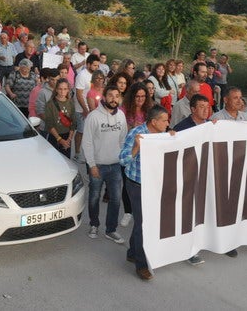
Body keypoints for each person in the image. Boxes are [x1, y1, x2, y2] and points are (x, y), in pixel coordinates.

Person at [119, 105, 177, 280]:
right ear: (154, 122)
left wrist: (173, 138)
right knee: (143, 224)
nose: (168, 123)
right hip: (136, 184)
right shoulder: (136, 134)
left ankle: (132, 252)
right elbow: (122, 160)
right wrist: (137, 147)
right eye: (165, 120)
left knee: (142, 222)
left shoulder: (162, 134)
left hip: (153, 184)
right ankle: (142, 265)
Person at [82, 85, 128, 245]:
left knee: (115, 199)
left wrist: (123, 160)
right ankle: (94, 225)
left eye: (117, 96)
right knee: (94, 196)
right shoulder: (94, 117)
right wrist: (92, 165)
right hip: (98, 166)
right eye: (110, 95)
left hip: (115, 165)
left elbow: (123, 139)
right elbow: (86, 142)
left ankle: (111, 230)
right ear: (104, 97)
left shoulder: (121, 116)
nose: (114, 99)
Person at [44, 78, 76, 157]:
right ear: (56, 90)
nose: (62, 92)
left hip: (67, 136)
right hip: (54, 136)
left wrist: (69, 139)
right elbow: (49, 124)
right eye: (60, 89)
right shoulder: (50, 104)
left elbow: (73, 122)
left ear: (68, 90)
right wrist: (60, 140)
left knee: (66, 161)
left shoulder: (71, 102)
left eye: (65, 89)